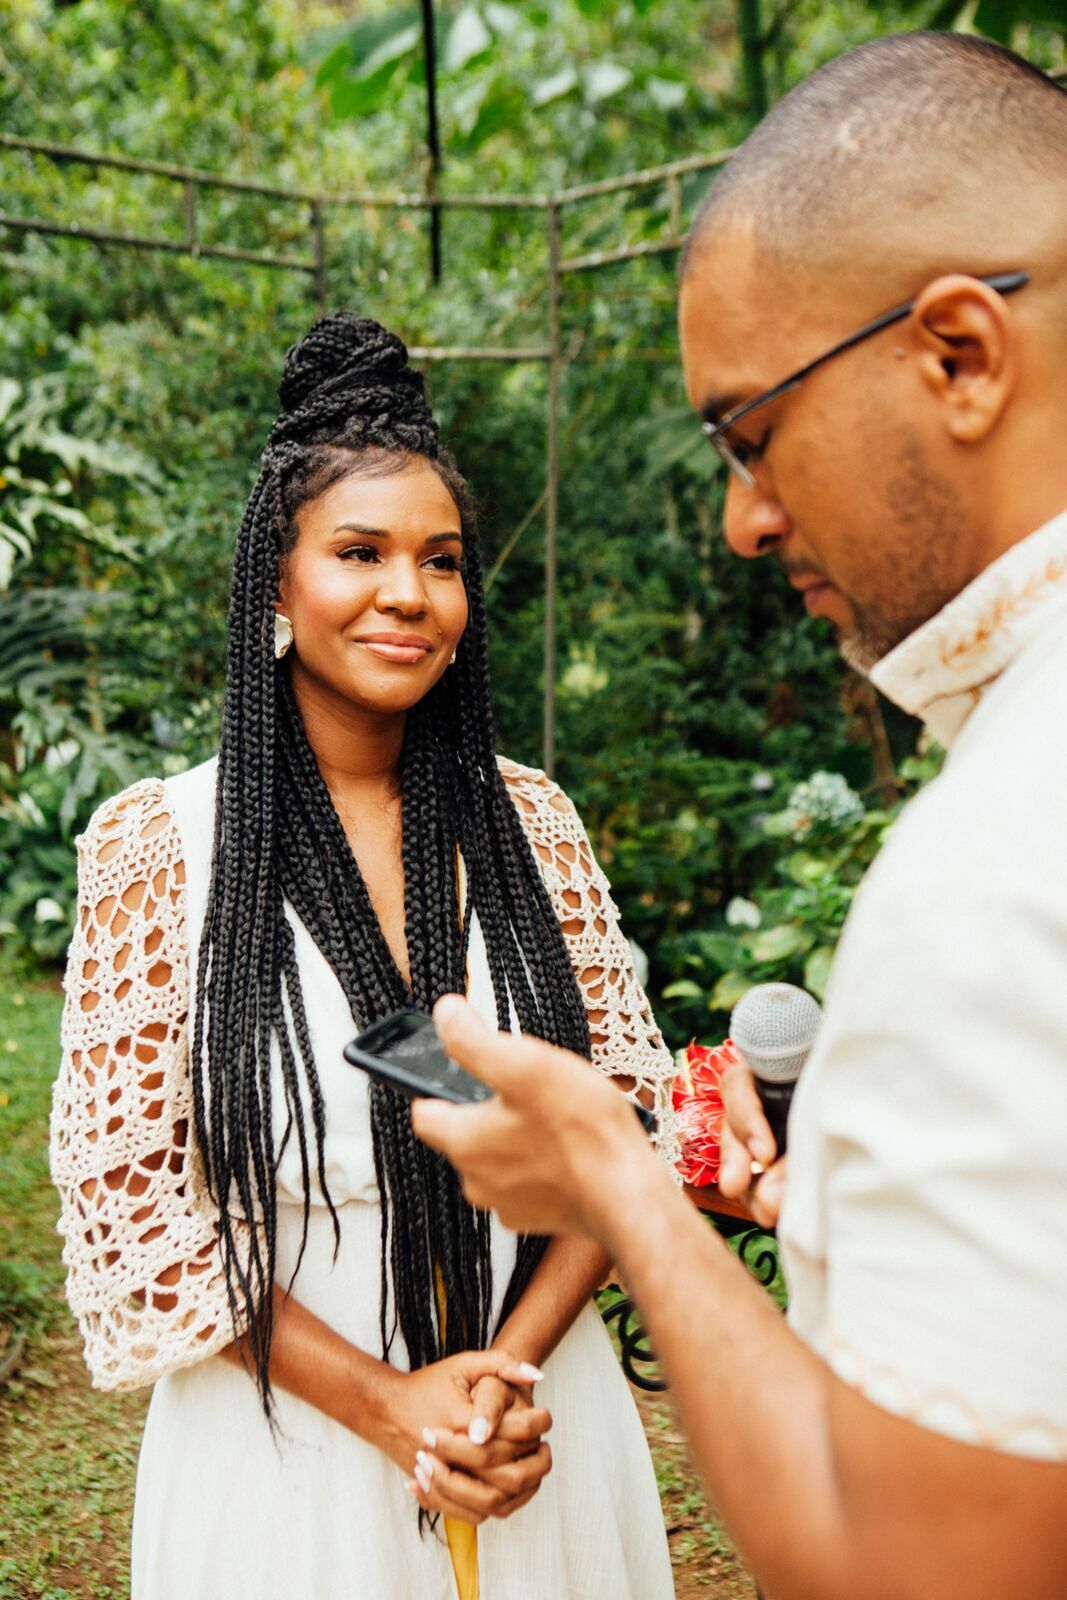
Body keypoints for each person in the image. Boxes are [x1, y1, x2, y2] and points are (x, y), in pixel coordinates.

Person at [412, 32, 1067, 1600]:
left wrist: (620, 1189)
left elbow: (911, 1569)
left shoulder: (992, 862)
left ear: (957, 355)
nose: (739, 521)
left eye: (748, 434)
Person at [50, 313, 677, 1600]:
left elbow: (623, 1127)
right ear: (274, 587)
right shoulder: (161, 848)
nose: (407, 592)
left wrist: (496, 1381)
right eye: (358, 552)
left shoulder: (531, 826)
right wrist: (394, 1406)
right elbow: (141, 1217)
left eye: (440, 560)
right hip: (288, 1451)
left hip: (534, 1424)